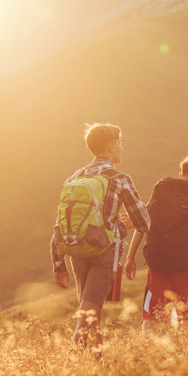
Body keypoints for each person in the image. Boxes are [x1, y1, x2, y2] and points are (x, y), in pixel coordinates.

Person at [50, 122, 150, 353]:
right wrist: (122, 227)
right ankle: (72, 362)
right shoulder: (119, 178)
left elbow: (60, 224)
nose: (122, 148)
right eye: (120, 143)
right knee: (89, 312)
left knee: (91, 312)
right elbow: (144, 222)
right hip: (105, 252)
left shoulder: (74, 179)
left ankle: (98, 366)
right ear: (111, 146)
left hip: (76, 250)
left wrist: (58, 265)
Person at [124, 154, 188, 329]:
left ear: (181, 174)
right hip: (186, 266)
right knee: (184, 318)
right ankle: (183, 348)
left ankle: (148, 350)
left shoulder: (162, 188)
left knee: (151, 316)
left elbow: (143, 224)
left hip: (158, 261)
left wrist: (130, 258)